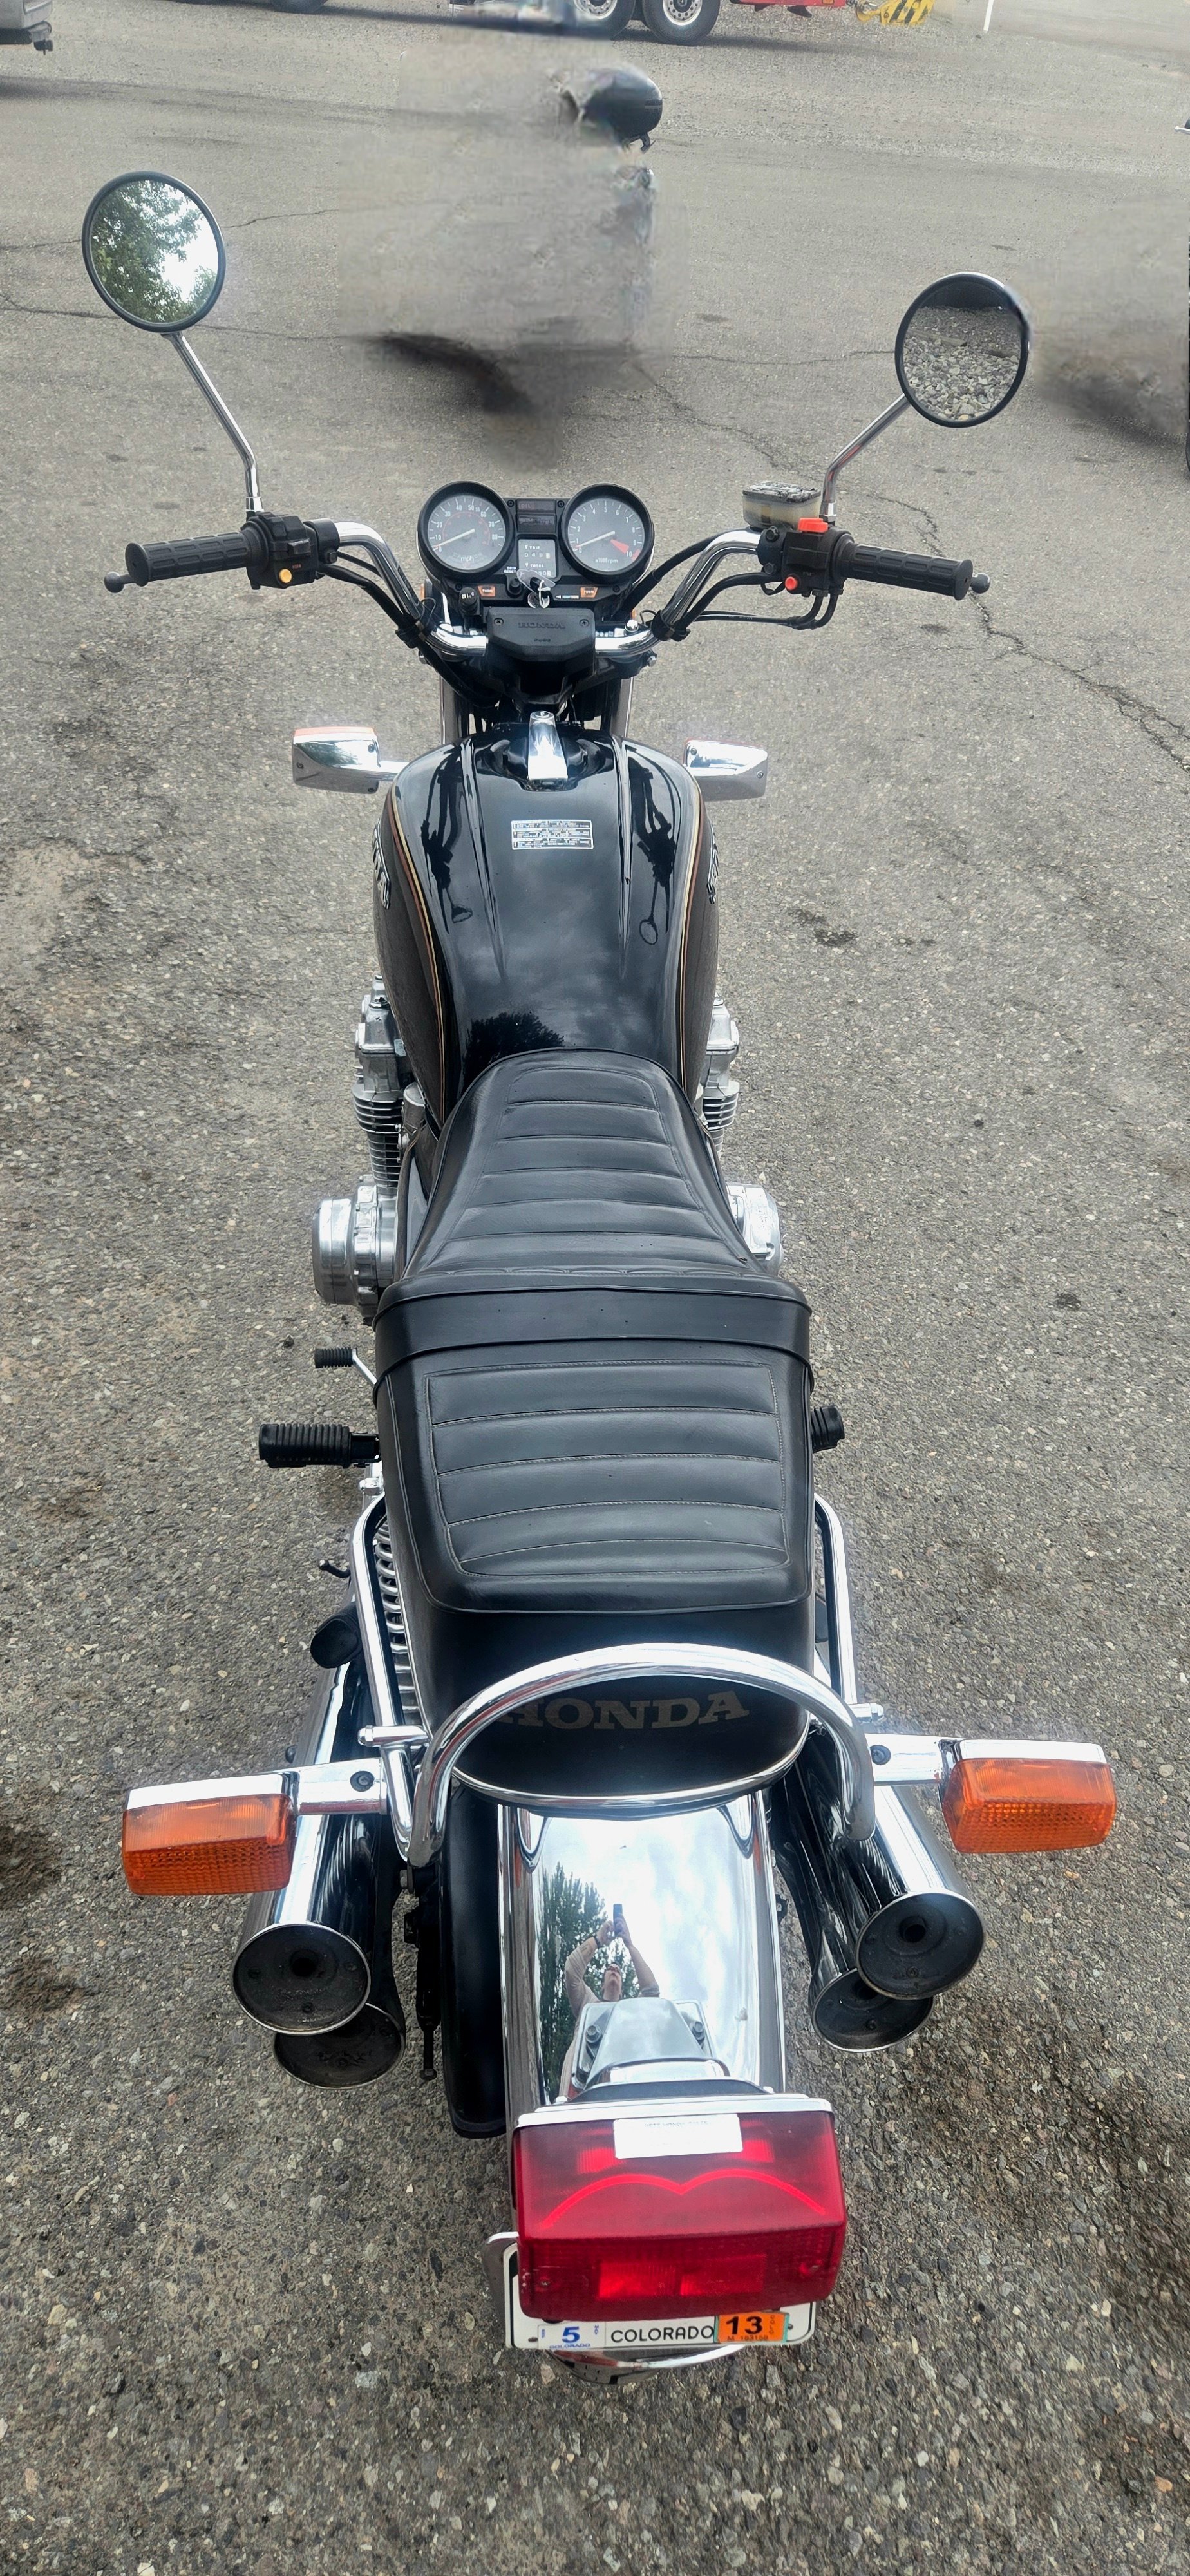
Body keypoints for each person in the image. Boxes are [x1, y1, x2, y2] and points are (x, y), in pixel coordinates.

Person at [558, 1913, 661, 2098]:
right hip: (577, 2094)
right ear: (602, 1984)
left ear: (622, 1988)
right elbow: (571, 1971)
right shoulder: (588, 2002)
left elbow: (652, 1993)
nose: (614, 1970)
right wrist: (598, 1940)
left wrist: (630, 1945)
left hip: (617, 2096)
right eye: (609, 1969)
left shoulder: (630, 2012)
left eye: (619, 1971)